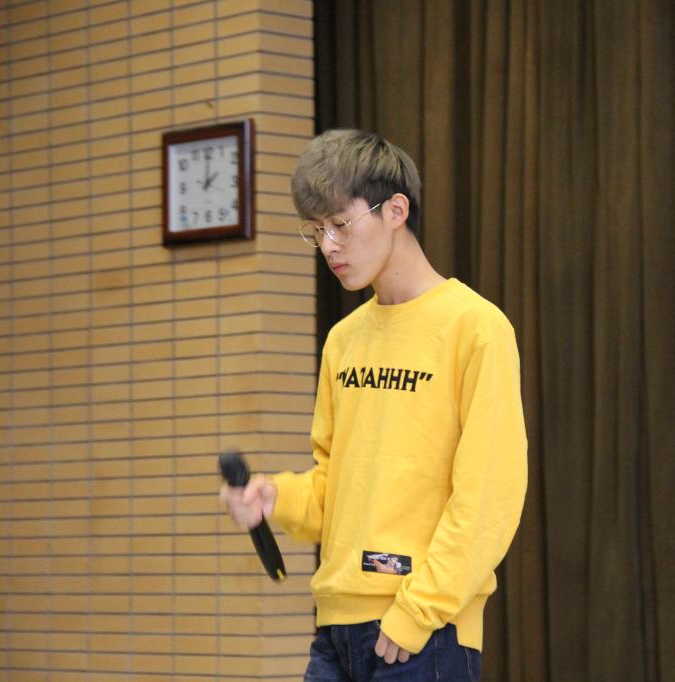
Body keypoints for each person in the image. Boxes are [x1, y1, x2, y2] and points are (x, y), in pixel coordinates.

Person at [219, 129, 528, 681]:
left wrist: (419, 611)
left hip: (425, 633)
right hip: (337, 633)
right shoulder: (344, 340)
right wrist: (275, 497)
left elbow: (489, 496)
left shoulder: (476, 328)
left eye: (341, 224)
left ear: (395, 211)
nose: (329, 246)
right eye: (317, 230)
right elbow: (334, 490)